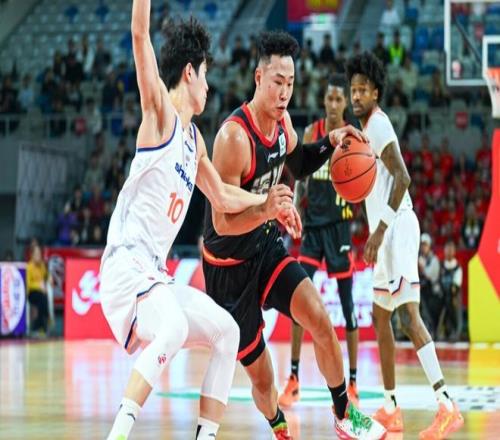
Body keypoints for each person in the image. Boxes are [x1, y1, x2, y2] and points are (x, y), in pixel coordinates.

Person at [100, 4, 297, 440]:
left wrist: (268, 203)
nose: (209, 85)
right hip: (125, 267)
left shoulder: (194, 141)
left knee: (227, 331)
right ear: (189, 73)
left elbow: (223, 196)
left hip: (155, 275)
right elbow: (139, 34)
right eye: (205, 74)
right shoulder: (160, 116)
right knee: (173, 326)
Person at [202, 31, 385, 440]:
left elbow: (298, 163)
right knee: (264, 382)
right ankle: (279, 427)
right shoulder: (234, 138)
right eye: (277, 82)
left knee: (319, 317)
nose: (285, 92)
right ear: (258, 78)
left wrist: (331, 143)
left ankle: (344, 415)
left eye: (290, 83)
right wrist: (267, 209)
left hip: (265, 248)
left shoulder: (284, 124)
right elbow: (222, 223)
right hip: (228, 269)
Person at [346, 51, 464, 439]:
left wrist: (379, 231)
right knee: (380, 317)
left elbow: (404, 177)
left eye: (363, 89)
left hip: (397, 227)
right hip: (386, 230)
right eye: (353, 89)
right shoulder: (364, 129)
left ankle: (447, 405)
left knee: (409, 318)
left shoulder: (379, 125)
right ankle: (391, 406)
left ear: (376, 93)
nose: (356, 95)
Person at [279, 74, 360, 408]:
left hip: (339, 228)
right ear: (324, 100)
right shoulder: (313, 132)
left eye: (339, 99)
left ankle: (352, 383)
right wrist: (295, 207)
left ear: (345, 103)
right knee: (299, 302)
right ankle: (294, 378)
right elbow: (300, 175)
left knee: (348, 307)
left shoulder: (352, 139)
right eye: (330, 98)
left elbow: (362, 182)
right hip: (312, 227)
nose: (334, 104)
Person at [418, 233, 442, 339]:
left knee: (430, 314)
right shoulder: (418, 258)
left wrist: (422, 267)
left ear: (429, 246)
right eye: (422, 245)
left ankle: (433, 332)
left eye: (425, 245)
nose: (423, 247)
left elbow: (431, 275)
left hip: (433, 293)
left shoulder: (434, 260)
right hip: (421, 291)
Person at [440, 240, 463, 341]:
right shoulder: (441, 266)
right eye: (447, 249)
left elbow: (456, 286)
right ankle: (442, 332)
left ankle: (456, 332)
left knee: (454, 305)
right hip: (442, 295)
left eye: (451, 249)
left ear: (454, 251)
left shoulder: (457, 267)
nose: (449, 251)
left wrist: (451, 293)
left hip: (453, 296)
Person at [26, 244, 49, 336]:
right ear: (32, 255)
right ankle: (42, 325)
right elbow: (28, 284)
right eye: (36, 254)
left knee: (43, 298)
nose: (38, 256)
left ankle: (38, 327)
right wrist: (39, 286)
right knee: (42, 299)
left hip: (41, 292)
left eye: (39, 254)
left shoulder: (42, 266)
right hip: (32, 293)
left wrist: (50, 278)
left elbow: (46, 277)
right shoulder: (29, 267)